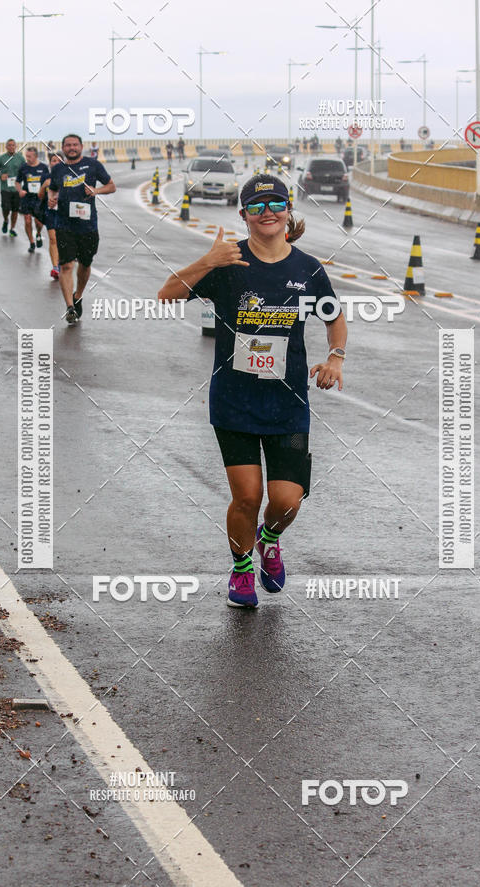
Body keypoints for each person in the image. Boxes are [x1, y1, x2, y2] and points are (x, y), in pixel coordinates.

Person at [157, 175, 347, 609]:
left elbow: (334, 318)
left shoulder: (308, 269)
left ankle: (270, 538)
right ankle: (242, 568)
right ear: (243, 214)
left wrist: (335, 357)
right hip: (234, 399)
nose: (268, 212)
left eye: (276, 203)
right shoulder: (226, 262)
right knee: (247, 496)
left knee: (285, 500)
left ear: (288, 211)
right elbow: (167, 293)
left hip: (288, 402)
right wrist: (206, 261)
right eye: (257, 206)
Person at [47, 134, 116, 323]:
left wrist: (97, 190)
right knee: (67, 265)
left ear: (81, 146)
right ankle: (70, 307)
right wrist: (51, 198)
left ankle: (78, 295)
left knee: (85, 264)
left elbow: (111, 186)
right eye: (68, 145)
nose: (71, 148)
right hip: (64, 224)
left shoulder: (93, 165)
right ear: (63, 148)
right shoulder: (58, 169)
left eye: (75, 145)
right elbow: (52, 189)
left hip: (88, 225)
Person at [16, 146, 50, 253]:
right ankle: (31, 242)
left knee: (39, 222)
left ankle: (38, 234)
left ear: (35, 156)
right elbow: (17, 182)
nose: (27, 159)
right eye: (26, 156)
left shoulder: (43, 167)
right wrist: (20, 190)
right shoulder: (23, 167)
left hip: (39, 198)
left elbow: (48, 182)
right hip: (27, 197)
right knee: (27, 220)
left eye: (29, 156)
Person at [37, 152, 63, 279]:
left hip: (65, 212)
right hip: (51, 212)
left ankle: (62, 260)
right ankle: (55, 268)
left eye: (59, 160)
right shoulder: (46, 177)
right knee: (53, 239)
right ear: (50, 163)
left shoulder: (69, 176)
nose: (56, 163)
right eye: (54, 160)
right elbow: (40, 196)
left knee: (63, 239)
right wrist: (44, 186)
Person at [0, 138, 25, 236]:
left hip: (16, 188)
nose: (11, 147)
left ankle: (12, 228)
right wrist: (0, 175)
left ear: (16, 146)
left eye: (13, 145)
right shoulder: (1, 158)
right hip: (5, 188)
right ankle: (6, 220)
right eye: (9, 145)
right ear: (6, 147)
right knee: (6, 209)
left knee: (15, 210)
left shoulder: (20, 158)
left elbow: (25, 170)